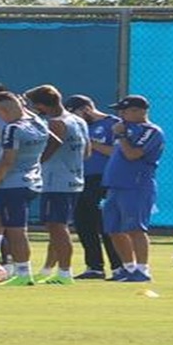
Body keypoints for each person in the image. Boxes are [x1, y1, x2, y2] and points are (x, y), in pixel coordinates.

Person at [0, 90, 55, 286]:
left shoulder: (13, 129)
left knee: (15, 230)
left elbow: (7, 161)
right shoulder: (38, 122)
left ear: (4, 110)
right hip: (31, 179)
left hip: (12, 183)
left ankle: (23, 272)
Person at [27, 85, 88, 285]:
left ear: (42, 105)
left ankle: (65, 272)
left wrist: (34, 163)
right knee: (56, 227)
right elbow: (87, 152)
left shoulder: (55, 123)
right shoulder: (78, 120)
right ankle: (48, 269)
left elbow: (49, 150)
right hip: (74, 179)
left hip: (56, 181)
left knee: (57, 227)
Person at [102, 95, 164, 283]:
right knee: (113, 229)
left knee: (136, 228)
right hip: (115, 185)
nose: (121, 115)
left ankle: (143, 269)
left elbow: (133, 154)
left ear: (140, 111)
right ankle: (127, 268)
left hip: (136, 185)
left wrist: (121, 135)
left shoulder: (151, 131)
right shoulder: (125, 128)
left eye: (125, 111)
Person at [64, 94, 126, 280]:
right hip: (80, 179)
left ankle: (119, 266)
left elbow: (117, 151)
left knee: (105, 224)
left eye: (76, 114)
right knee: (83, 223)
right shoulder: (77, 126)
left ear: (86, 110)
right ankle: (94, 266)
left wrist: (91, 144)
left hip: (104, 180)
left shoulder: (112, 124)